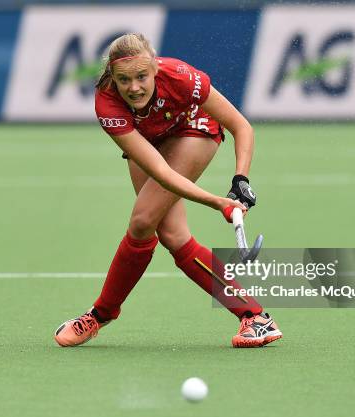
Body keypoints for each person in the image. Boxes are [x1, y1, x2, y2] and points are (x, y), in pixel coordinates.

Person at [54, 33, 281, 348]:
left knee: (142, 220)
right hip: (149, 138)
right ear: (112, 78)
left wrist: (240, 179)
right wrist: (217, 202)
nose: (134, 87)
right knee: (174, 237)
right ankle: (255, 318)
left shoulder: (182, 77)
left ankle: (100, 314)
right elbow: (160, 171)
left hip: (194, 128)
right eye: (124, 79)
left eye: (141, 77)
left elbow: (241, 126)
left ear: (155, 69)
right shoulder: (106, 101)